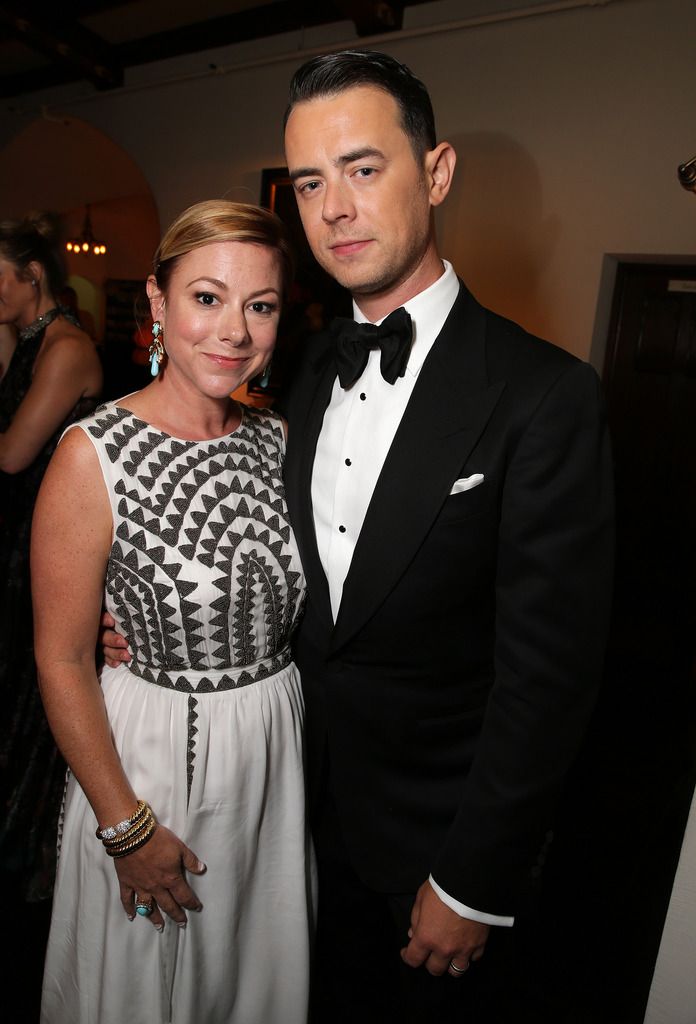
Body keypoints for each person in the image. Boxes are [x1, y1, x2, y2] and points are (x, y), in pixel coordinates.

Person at [104, 51, 614, 1022]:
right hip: (270, 825)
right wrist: (137, 618)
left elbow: (549, 678)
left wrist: (473, 880)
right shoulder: (287, 372)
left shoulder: (545, 396)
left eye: (364, 168)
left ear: (436, 173)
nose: (334, 206)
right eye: (309, 181)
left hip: (427, 860)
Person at [33, 200, 314, 1024]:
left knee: (245, 979)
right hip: (154, 759)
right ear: (158, 303)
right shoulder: (93, 454)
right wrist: (126, 830)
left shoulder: (280, 440)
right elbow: (59, 660)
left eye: (259, 306)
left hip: (270, 755)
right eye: (206, 297)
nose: (233, 330)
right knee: (148, 983)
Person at [0, 211, 102, 902]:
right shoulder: (28, 339)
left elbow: (10, 454)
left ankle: (26, 856)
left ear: (31, 278)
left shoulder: (66, 348)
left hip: (42, 547)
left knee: (27, 699)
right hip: (14, 536)